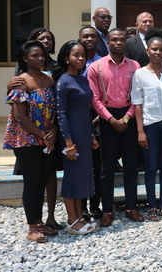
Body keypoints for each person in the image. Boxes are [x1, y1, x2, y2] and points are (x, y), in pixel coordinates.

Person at [3, 40, 58, 243]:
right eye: (35, 56)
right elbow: (20, 117)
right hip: (27, 139)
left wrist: (52, 130)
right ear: (25, 58)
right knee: (32, 183)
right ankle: (32, 226)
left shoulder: (49, 80)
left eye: (42, 55)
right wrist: (43, 135)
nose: (40, 58)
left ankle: (40, 221)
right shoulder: (21, 82)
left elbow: (54, 112)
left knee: (43, 180)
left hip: (47, 138)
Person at [87, 28, 143, 226]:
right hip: (107, 118)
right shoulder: (96, 67)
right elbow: (94, 98)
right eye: (114, 40)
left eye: (121, 40)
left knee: (131, 166)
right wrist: (111, 120)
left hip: (129, 118)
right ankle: (108, 210)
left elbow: (138, 96)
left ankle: (131, 207)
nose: (118, 43)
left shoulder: (135, 66)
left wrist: (126, 119)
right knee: (106, 168)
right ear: (108, 42)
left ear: (126, 42)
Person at [132, 28, 162, 221]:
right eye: (154, 49)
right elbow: (137, 105)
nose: (157, 53)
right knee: (151, 167)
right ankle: (151, 206)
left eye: (161, 50)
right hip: (150, 126)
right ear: (148, 51)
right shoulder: (140, 74)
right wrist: (140, 131)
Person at [54, 40, 99, 235]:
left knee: (82, 177)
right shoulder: (63, 81)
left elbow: (86, 111)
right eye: (75, 55)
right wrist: (69, 143)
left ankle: (80, 216)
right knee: (72, 178)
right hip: (71, 138)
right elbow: (61, 114)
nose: (80, 58)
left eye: (83, 55)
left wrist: (92, 135)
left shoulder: (83, 79)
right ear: (66, 58)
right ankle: (72, 221)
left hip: (84, 135)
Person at [77, 26, 103, 220]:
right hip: (80, 121)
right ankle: (82, 207)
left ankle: (95, 206)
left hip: (99, 118)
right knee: (82, 167)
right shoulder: (74, 63)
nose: (89, 39)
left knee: (98, 167)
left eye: (93, 36)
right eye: (85, 36)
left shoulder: (103, 62)